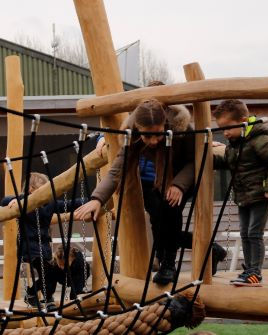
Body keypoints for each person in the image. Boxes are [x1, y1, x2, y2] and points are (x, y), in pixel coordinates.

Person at [75, 99, 195, 285]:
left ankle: (168, 265)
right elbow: (116, 171)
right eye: (148, 137)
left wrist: (179, 185)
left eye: (158, 135)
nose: (154, 141)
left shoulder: (181, 130)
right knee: (158, 220)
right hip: (159, 181)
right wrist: (97, 199)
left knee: (170, 211)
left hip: (184, 176)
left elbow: (193, 161)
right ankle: (197, 253)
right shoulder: (133, 136)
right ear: (139, 128)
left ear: (164, 124)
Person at [213, 100, 268, 286]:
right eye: (221, 129)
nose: (225, 133)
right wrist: (209, 157)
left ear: (243, 121)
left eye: (227, 128)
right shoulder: (235, 143)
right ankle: (249, 269)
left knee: (254, 233)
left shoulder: (259, 138)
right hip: (243, 195)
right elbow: (229, 162)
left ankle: (255, 272)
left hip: (260, 194)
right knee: (244, 233)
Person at [1, 172, 86, 309]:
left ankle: (33, 293)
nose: (45, 193)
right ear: (31, 190)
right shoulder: (25, 202)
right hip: (29, 246)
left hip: (44, 247)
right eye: (42, 190)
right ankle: (48, 299)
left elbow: (69, 204)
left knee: (49, 272)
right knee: (45, 269)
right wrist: (16, 200)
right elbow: (4, 201)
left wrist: (92, 200)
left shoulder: (49, 204)